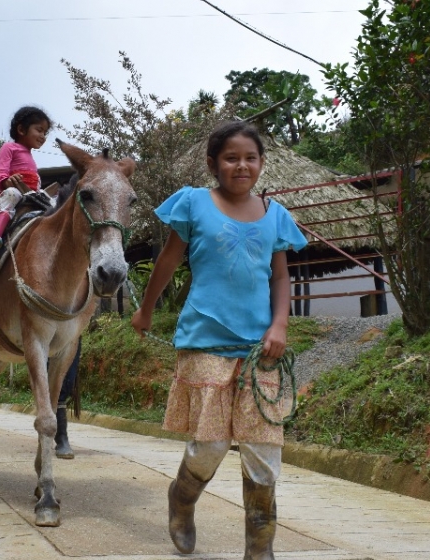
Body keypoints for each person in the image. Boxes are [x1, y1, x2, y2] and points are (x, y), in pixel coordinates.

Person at [130, 121, 306, 560]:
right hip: (205, 340)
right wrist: (146, 310)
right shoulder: (193, 203)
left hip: (258, 349)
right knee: (208, 444)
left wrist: (279, 323)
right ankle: (182, 500)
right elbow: (168, 262)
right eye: (231, 157)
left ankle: (260, 546)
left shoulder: (275, 215)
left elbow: (281, 276)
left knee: (263, 450)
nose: (241, 165)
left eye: (250, 157)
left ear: (262, 163)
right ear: (214, 163)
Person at [0, 106, 51, 255]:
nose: (43, 136)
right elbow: (0, 170)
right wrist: (7, 181)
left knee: (52, 202)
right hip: (14, 191)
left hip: (30, 193)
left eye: (45, 132)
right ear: (21, 130)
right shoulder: (9, 148)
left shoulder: (30, 155)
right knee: (12, 194)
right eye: (39, 130)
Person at [54, 339, 81, 459]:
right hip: (45, 324)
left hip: (72, 327)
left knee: (67, 379)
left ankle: (61, 436)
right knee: (50, 381)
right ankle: (59, 436)